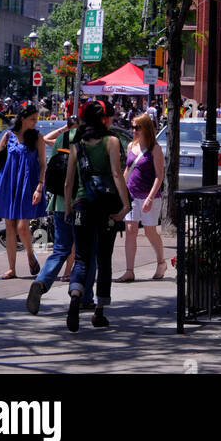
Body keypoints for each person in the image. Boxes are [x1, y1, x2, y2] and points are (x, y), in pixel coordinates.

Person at [63, 99, 130, 332]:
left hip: (81, 205)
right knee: (104, 257)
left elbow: (69, 180)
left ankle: (75, 295)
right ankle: (99, 312)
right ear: (103, 119)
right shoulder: (111, 141)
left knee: (81, 256)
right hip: (106, 207)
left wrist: (69, 208)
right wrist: (125, 204)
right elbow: (116, 173)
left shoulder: (77, 143)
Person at [27, 116, 97, 316]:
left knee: (60, 249)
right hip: (83, 204)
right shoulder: (93, 140)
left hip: (59, 202)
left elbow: (52, 167)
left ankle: (41, 282)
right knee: (87, 253)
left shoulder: (63, 139)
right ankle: (84, 296)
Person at [0, 104, 46, 280]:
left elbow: (43, 164)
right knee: (10, 226)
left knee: (22, 227)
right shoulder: (9, 135)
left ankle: (29, 254)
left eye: (36, 119)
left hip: (28, 185)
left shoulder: (37, 138)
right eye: (32, 119)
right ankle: (11, 268)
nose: (35, 122)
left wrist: (39, 186)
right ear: (22, 119)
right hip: (8, 183)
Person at [116, 113, 166, 283]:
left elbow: (159, 176)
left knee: (150, 231)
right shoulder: (131, 145)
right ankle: (129, 270)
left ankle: (161, 262)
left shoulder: (155, 149)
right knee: (130, 230)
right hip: (130, 194)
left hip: (148, 195)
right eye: (133, 127)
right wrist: (120, 189)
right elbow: (127, 170)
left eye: (137, 127)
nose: (134, 130)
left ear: (146, 128)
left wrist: (150, 198)